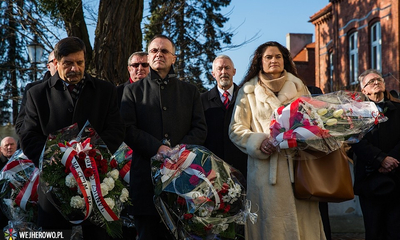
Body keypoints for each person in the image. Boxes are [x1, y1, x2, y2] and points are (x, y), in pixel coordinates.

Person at [17, 37, 125, 240]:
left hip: (97, 182)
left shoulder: (106, 91)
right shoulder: (37, 94)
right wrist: (57, 159)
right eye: (68, 63)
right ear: (56, 63)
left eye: (80, 62)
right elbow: (28, 134)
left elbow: (116, 129)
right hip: (54, 185)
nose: (75, 68)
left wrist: (92, 154)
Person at [229, 41, 326, 239]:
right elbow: (236, 129)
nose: (274, 60)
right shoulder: (247, 91)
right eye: (268, 57)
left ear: (285, 60)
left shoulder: (299, 87)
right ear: (260, 62)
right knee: (270, 228)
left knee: (305, 226)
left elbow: (313, 121)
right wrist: (258, 142)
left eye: (278, 56)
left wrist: (305, 136)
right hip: (266, 174)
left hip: (299, 169)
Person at [120, 34, 207, 240]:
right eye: (154, 51)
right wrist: (158, 148)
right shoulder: (132, 91)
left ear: (174, 57)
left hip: (184, 180)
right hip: (145, 182)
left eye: (164, 51)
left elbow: (200, 129)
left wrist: (180, 151)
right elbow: (127, 128)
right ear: (149, 57)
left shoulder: (190, 91)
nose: (159, 54)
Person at [351, 69, 400, 240]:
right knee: (374, 230)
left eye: (378, 79)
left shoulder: (398, 108)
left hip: (397, 175)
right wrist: (380, 160)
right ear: (364, 90)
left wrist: (391, 160)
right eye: (371, 82)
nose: (376, 82)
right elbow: (355, 140)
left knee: (396, 229)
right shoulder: (354, 113)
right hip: (370, 178)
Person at [201, 55, 247, 182]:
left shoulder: (247, 98)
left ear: (234, 71)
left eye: (227, 68)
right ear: (213, 74)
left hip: (243, 167)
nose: (223, 72)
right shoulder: (201, 101)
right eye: (219, 69)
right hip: (212, 169)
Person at [15, 51, 57, 135]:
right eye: (55, 62)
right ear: (48, 66)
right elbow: (22, 125)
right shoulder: (33, 90)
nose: (59, 65)